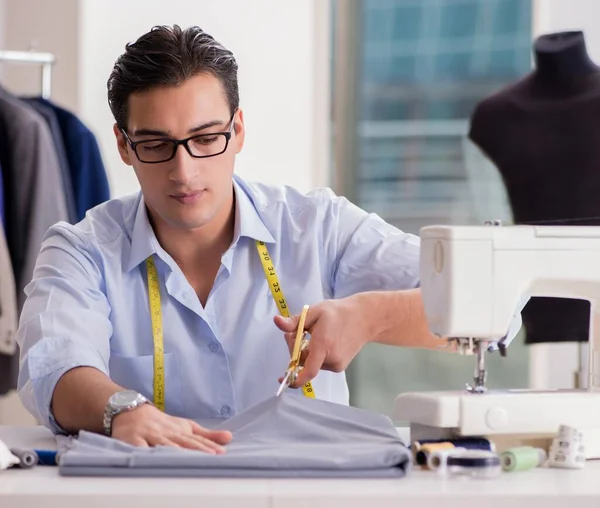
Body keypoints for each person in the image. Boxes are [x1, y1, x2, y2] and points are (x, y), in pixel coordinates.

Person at [16, 25, 521, 453]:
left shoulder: (318, 226)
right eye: (155, 145)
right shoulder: (80, 250)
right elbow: (52, 370)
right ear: (123, 146)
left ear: (237, 131)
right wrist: (121, 411)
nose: (184, 171)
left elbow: (495, 307)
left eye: (206, 138)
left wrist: (371, 315)